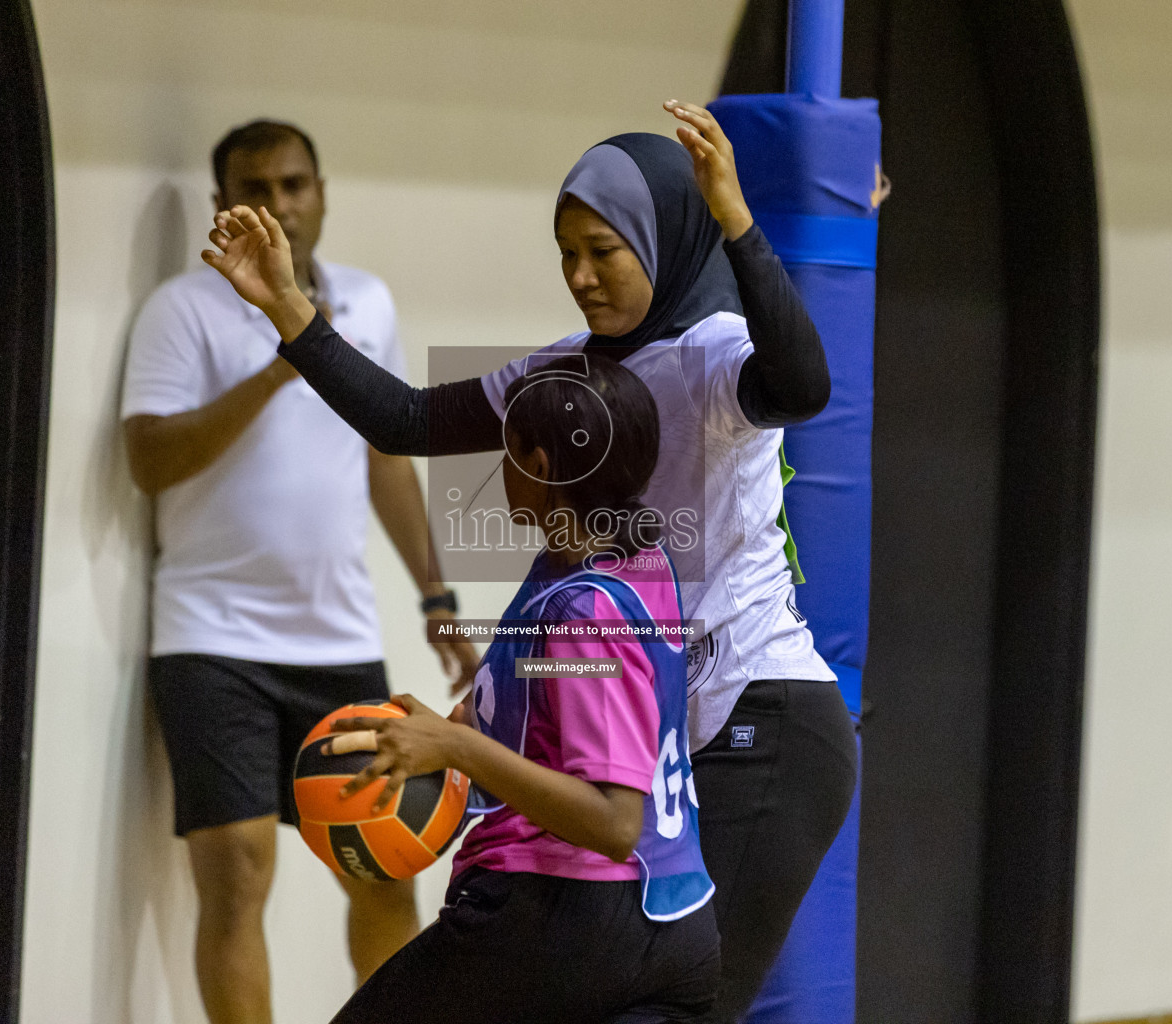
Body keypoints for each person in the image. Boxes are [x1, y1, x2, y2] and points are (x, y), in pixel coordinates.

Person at [202, 100, 858, 1024]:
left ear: (661, 241)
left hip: (763, 722)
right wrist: (287, 305)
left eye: (604, 251)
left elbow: (804, 386)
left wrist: (739, 221)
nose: (580, 276)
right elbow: (408, 420)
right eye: (566, 254)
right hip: (659, 722)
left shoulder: (715, 358)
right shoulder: (565, 380)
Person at [121, 119, 477, 1023]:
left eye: (294, 185)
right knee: (239, 869)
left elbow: (386, 458)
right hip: (211, 636)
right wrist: (288, 361)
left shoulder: (370, 304)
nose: (278, 204)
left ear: (321, 193)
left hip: (338, 638)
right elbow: (151, 460)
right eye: (256, 188)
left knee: (384, 861)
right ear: (221, 205)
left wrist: (435, 594)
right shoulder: (183, 310)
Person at [323, 355, 719, 1023]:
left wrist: (455, 747)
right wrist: (472, 723)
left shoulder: (584, 611)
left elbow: (614, 820)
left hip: (572, 913)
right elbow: (568, 698)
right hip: (673, 925)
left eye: (504, 449)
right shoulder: (632, 559)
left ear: (538, 465)